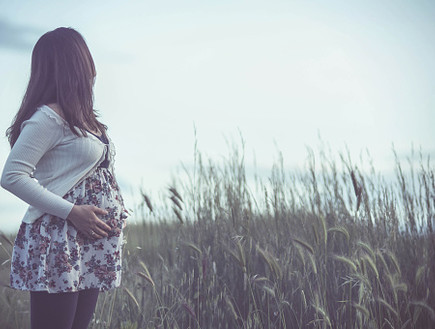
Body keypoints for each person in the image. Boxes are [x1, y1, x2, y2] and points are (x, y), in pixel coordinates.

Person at [0, 27, 129, 329]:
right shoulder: (47, 117)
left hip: (89, 240)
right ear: (75, 62)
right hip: (58, 238)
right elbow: (11, 176)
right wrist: (73, 212)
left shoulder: (85, 116)